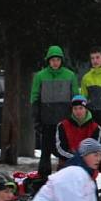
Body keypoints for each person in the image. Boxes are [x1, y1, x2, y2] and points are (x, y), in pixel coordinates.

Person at [30, 45, 79, 178]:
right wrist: (36, 119)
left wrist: (74, 118)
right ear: (48, 60)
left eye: (57, 59)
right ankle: (43, 178)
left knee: (64, 150)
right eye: (52, 60)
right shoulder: (40, 76)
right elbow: (34, 98)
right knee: (45, 151)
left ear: (61, 60)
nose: (55, 62)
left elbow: (76, 98)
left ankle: (66, 175)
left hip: (64, 121)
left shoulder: (70, 75)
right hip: (46, 120)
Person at [55, 95, 101, 170]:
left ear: (86, 109)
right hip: (67, 162)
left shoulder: (96, 128)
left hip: (87, 164)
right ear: (72, 110)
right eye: (75, 108)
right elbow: (60, 148)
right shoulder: (62, 125)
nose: (78, 111)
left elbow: (94, 149)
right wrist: (75, 158)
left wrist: (82, 160)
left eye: (81, 108)